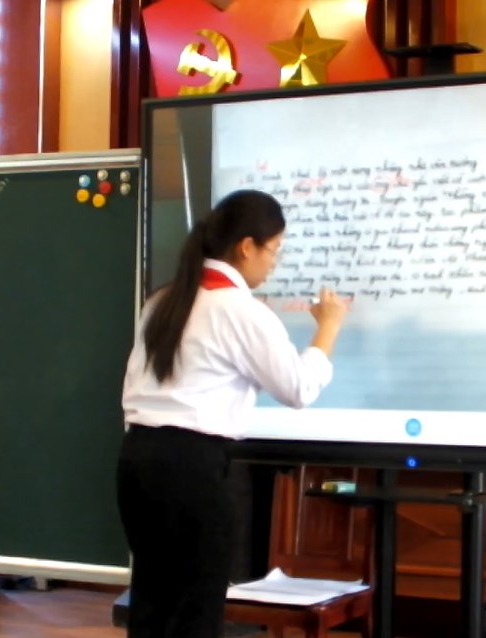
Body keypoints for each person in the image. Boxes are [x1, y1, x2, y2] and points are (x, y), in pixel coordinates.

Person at [116, 189, 348, 638]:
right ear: (246, 247)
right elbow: (298, 388)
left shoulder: (162, 301)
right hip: (193, 469)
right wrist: (329, 328)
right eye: (274, 249)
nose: (274, 263)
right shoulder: (239, 310)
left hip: (137, 460)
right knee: (196, 609)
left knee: (152, 601)